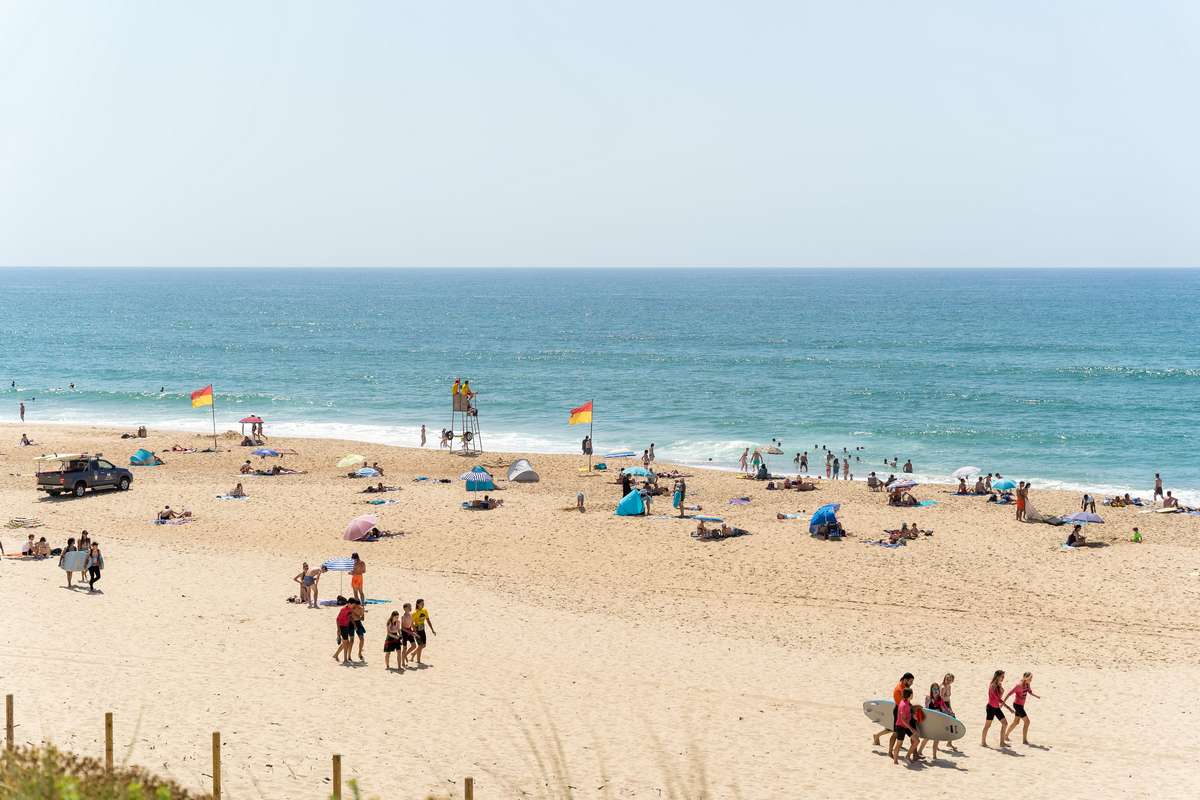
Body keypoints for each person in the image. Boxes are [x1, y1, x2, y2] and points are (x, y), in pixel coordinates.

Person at [873, 673, 914, 747]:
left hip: (899, 709)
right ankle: (878, 737)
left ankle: (878, 736)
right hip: (899, 711)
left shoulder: (904, 686)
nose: (912, 683)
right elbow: (902, 703)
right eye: (910, 681)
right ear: (905, 680)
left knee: (894, 729)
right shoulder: (899, 689)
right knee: (895, 731)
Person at [1003, 672, 1041, 745]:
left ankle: (1005, 736)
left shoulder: (1027, 684)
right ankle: (1024, 740)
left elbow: (1029, 692)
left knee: (1016, 722)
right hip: (1017, 706)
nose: (1031, 680)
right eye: (1030, 678)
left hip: (1021, 705)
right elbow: (1009, 694)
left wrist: (1036, 696)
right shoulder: (1019, 686)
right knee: (1027, 722)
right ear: (1025, 678)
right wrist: (1003, 703)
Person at [981, 670, 1013, 747]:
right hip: (991, 708)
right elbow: (998, 699)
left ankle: (1002, 743)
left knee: (1005, 723)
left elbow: (999, 697)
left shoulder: (999, 685)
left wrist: (1001, 688)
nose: (1003, 678)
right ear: (998, 676)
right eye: (1002, 676)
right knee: (988, 725)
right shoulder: (992, 685)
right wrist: (1008, 708)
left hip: (996, 707)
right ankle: (983, 742)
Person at [891, 688, 919, 764]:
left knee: (916, 741)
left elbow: (908, 714)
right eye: (912, 693)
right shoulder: (904, 705)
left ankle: (907, 756)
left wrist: (913, 716)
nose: (913, 695)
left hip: (906, 726)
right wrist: (911, 729)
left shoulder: (907, 702)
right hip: (900, 726)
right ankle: (895, 761)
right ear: (909, 695)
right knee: (899, 744)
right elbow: (903, 719)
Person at [411, 598, 435, 666]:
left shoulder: (425, 611)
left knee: (423, 645)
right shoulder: (414, 613)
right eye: (421, 603)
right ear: (417, 604)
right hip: (417, 630)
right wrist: (414, 630)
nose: (423, 604)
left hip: (422, 630)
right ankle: (418, 660)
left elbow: (428, 620)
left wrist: (432, 629)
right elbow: (411, 623)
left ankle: (413, 654)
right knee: (420, 645)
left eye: (423, 603)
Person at [333, 599, 357, 664]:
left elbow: (350, 617)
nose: (354, 606)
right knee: (346, 642)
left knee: (346, 643)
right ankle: (345, 659)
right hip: (342, 627)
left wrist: (354, 624)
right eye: (353, 605)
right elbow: (337, 619)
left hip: (346, 626)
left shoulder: (350, 609)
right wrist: (338, 630)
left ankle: (336, 655)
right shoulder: (343, 609)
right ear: (349, 603)